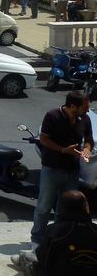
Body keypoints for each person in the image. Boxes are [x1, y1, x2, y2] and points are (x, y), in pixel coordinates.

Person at [30, 91, 94, 249]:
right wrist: (63, 150)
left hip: (72, 170)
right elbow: (44, 139)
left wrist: (86, 150)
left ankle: (58, 238)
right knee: (44, 206)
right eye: (85, 107)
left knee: (65, 208)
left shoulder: (84, 118)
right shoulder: (52, 116)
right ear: (73, 106)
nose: (88, 110)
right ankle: (37, 240)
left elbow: (89, 139)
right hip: (52, 168)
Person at [34, 190, 97, 275]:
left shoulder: (55, 230)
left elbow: (43, 258)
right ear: (86, 206)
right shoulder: (94, 230)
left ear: (63, 209)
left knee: (30, 257)